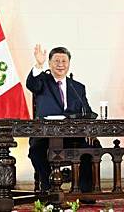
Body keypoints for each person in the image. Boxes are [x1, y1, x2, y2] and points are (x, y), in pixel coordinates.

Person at [26, 45, 96, 196]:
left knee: (92, 146)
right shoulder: (42, 81)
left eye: (64, 60)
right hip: (45, 136)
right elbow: (31, 84)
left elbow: (87, 112)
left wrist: (90, 129)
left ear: (69, 63)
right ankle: (47, 188)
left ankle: (85, 192)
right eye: (56, 60)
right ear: (50, 63)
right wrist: (38, 64)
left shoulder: (78, 87)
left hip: (71, 137)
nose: (60, 64)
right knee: (36, 151)